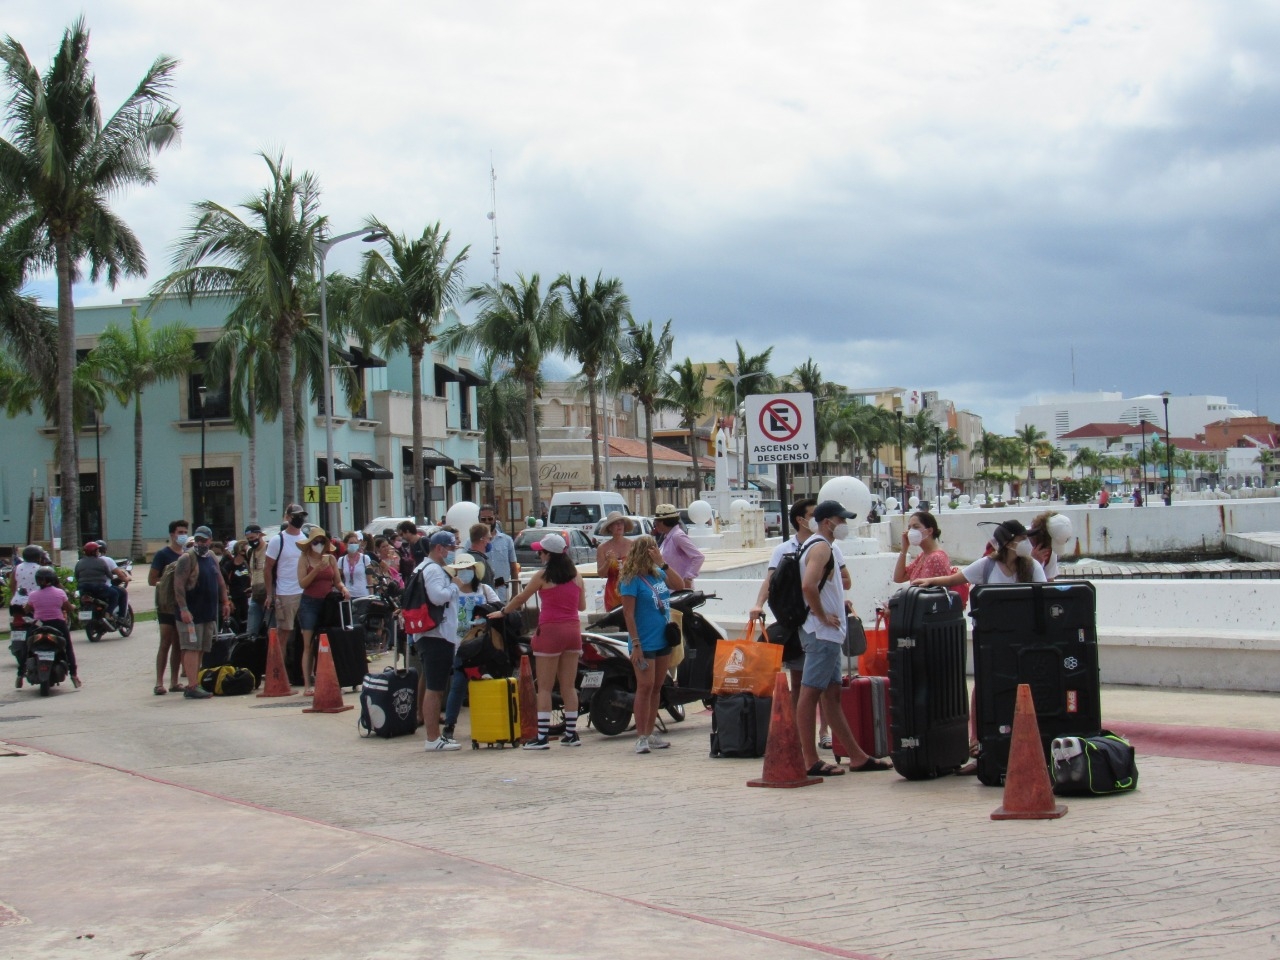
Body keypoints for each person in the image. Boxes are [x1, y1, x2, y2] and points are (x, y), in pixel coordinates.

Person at [796, 500, 891, 776]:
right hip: (821, 633)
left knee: (832, 695)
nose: (845, 526)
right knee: (811, 692)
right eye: (842, 520)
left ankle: (857, 755)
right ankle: (810, 759)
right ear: (828, 522)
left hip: (828, 633)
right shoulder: (821, 547)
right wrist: (823, 614)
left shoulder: (821, 546)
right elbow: (808, 585)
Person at [494, 532, 587, 749]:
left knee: (544, 687)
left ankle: (542, 736)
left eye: (541, 551)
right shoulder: (576, 575)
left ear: (548, 554)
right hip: (573, 631)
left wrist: (503, 612)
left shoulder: (543, 576)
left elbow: (521, 598)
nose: (539, 555)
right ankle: (571, 734)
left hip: (550, 631)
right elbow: (581, 606)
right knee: (568, 685)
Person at [618, 534, 687, 755]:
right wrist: (635, 644)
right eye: (653, 549)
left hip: (662, 638)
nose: (656, 551)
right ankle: (641, 736)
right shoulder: (630, 580)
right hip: (644, 640)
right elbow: (628, 614)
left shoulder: (658, 573)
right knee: (645, 687)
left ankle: (649, 733)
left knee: (657, 686)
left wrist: (663, 563)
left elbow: (679, 584)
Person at [409, 530, 463, 752]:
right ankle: (432, 738)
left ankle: (434, 737)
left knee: (435, 685)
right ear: (440, 548)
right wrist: (454, 586)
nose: (452, 553)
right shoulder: (434, 570)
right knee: (435, 688)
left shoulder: (422, 568)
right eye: (450, 549)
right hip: (436, 635)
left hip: (431, 635)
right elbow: (437, 596)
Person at [442, 554, 502, 739]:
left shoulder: (484, 590)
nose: (465, 573)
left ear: (475, 571)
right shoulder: (450, 592)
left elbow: (499, 608)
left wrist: (485, 617)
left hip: (484, 645)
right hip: (461, 646)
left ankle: (494, 723)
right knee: (458, 686)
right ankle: (449, 726)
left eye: (468, 569)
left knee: (489, 682)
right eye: (461, 570)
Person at [172, 526, 232, 700]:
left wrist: (225, 601)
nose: (201, 543)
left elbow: (220, 581)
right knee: (191, 647)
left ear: (210, 540)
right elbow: (178, 586)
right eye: (198, 539)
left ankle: (195, 682)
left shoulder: (212, 557)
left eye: (204, 540)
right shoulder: (187, 558)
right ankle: (192, 686)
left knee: (202, 648)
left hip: (208, 612)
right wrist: (183, 609)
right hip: (191, 613)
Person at [913, 519, 1047, 589]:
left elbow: (1043, 592)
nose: (1027, 542)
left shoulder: (1032, 566)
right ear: (1009, 544)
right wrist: (929, 581)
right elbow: (952, 580)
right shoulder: (987, 565)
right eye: (1022, 539)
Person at [296, 527, 349, 697]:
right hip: (309, 603)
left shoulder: (331, 559)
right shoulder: (304, 558)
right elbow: (302, 583)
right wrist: (317, 569)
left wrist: (343, 589)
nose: (318, 545)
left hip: (328, 603)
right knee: (308, 644)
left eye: (321, 542)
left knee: (330, 640)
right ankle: (307, 683)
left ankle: (331, 678)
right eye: (315, 542)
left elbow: (337, 581)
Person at [20, 566, 79, 688]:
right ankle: (74, 674)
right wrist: (73, 607)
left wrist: (27, 607)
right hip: (58, 624)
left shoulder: (33, 595)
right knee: (68, 648)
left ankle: (20, 674)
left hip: (39, 625)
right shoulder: (60, 593)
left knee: (26, 647)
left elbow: (26, 610)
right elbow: (68, 607)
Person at [150, 519, 189, 695]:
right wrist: (168, 582)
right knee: (165, 641)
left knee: (179, 644)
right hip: (166, 605)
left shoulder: (187, 555)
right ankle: (159, 682)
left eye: (185, 532)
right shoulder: (162, 555)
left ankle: (174, 682)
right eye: (180, 532)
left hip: (182, 605)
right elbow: (152, 580)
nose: (183, 535)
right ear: (172, 534)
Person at [264, 504, 308, 656]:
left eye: (302, 516)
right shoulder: (278, 540)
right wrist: (270, 594)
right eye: (296, 516)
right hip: (285, 593)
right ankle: (278, 672)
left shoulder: (306, 539)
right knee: (284, 633)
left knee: (307, 634)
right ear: (288, 517)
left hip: (304, 591)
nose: (299, 519)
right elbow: (268, 567)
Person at [892, 510, 953, 584]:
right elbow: (898, 578)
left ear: (929, 531)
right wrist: (904, 549)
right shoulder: (923, 556)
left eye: (916, 527)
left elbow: (938, 591)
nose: (910, 531)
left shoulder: (936, 557)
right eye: (909, 528)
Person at [653, 503, 705, 587]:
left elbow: (699, 557)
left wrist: (688, 577)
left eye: (656, 523)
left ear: (662, 522)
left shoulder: (677, 536)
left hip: (679, 589)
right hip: (670, 587)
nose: (655, 525)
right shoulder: (668, 537)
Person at [595, 511, 635, 612]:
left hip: (631, 590)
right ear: (610, 527)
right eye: (615, 523)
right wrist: (608, 562)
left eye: (621, 522)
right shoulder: (603, 548)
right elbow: (601, 574)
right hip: (612, 594)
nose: (619, 525)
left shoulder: (632, 545)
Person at [74, 542, 123, 622]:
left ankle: (82, 612)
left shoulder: (79, 563)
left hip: (83, 588)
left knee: (82, 600)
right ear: (94, 552)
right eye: (97, 550)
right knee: (115, 594)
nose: (98, 551)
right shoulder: (101, 562)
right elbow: (110, 575)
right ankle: (108, 613)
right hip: (98, 588)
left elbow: (76, 576)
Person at [479, 505, 517, 601]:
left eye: (490, 518)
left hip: (502, 594)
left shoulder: (507, 540)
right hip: (481, 595)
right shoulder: (471, 542)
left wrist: (515, 593)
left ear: (495, 518)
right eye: (483, 519)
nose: (487, 522)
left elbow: (513, 567)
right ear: (479, 520)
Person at [242, 523, 269, 638]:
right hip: (255, 594)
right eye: (248, 539)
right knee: (251, 631)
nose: (251, 541)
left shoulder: (268, 549)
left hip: (268, 594)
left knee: (271, 629)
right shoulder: (251, 552)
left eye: (252, 538)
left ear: (260, 535)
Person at [223, 540, 252, 626]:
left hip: (245, 599)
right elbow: (224, 583)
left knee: (245, 622)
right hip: (234, 599)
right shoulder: (229, 565)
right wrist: (228, 600)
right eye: (244, 550)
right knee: (236, 623)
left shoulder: (246, 564)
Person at [339, 531, 374, 600]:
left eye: (355, 543)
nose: (353, 545)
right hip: (348, 595)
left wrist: (371, 595)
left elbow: (369, 579)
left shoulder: (365, 558)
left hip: (363, 595)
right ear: (346, 545)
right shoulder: (342, 560)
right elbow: (338, 579)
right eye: (351, 543)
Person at [463, 523, 496, 590]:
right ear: (483, 539)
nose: (490, 541)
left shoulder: (466, 557)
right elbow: (486, 586)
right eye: (489, 538)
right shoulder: (479, 561)